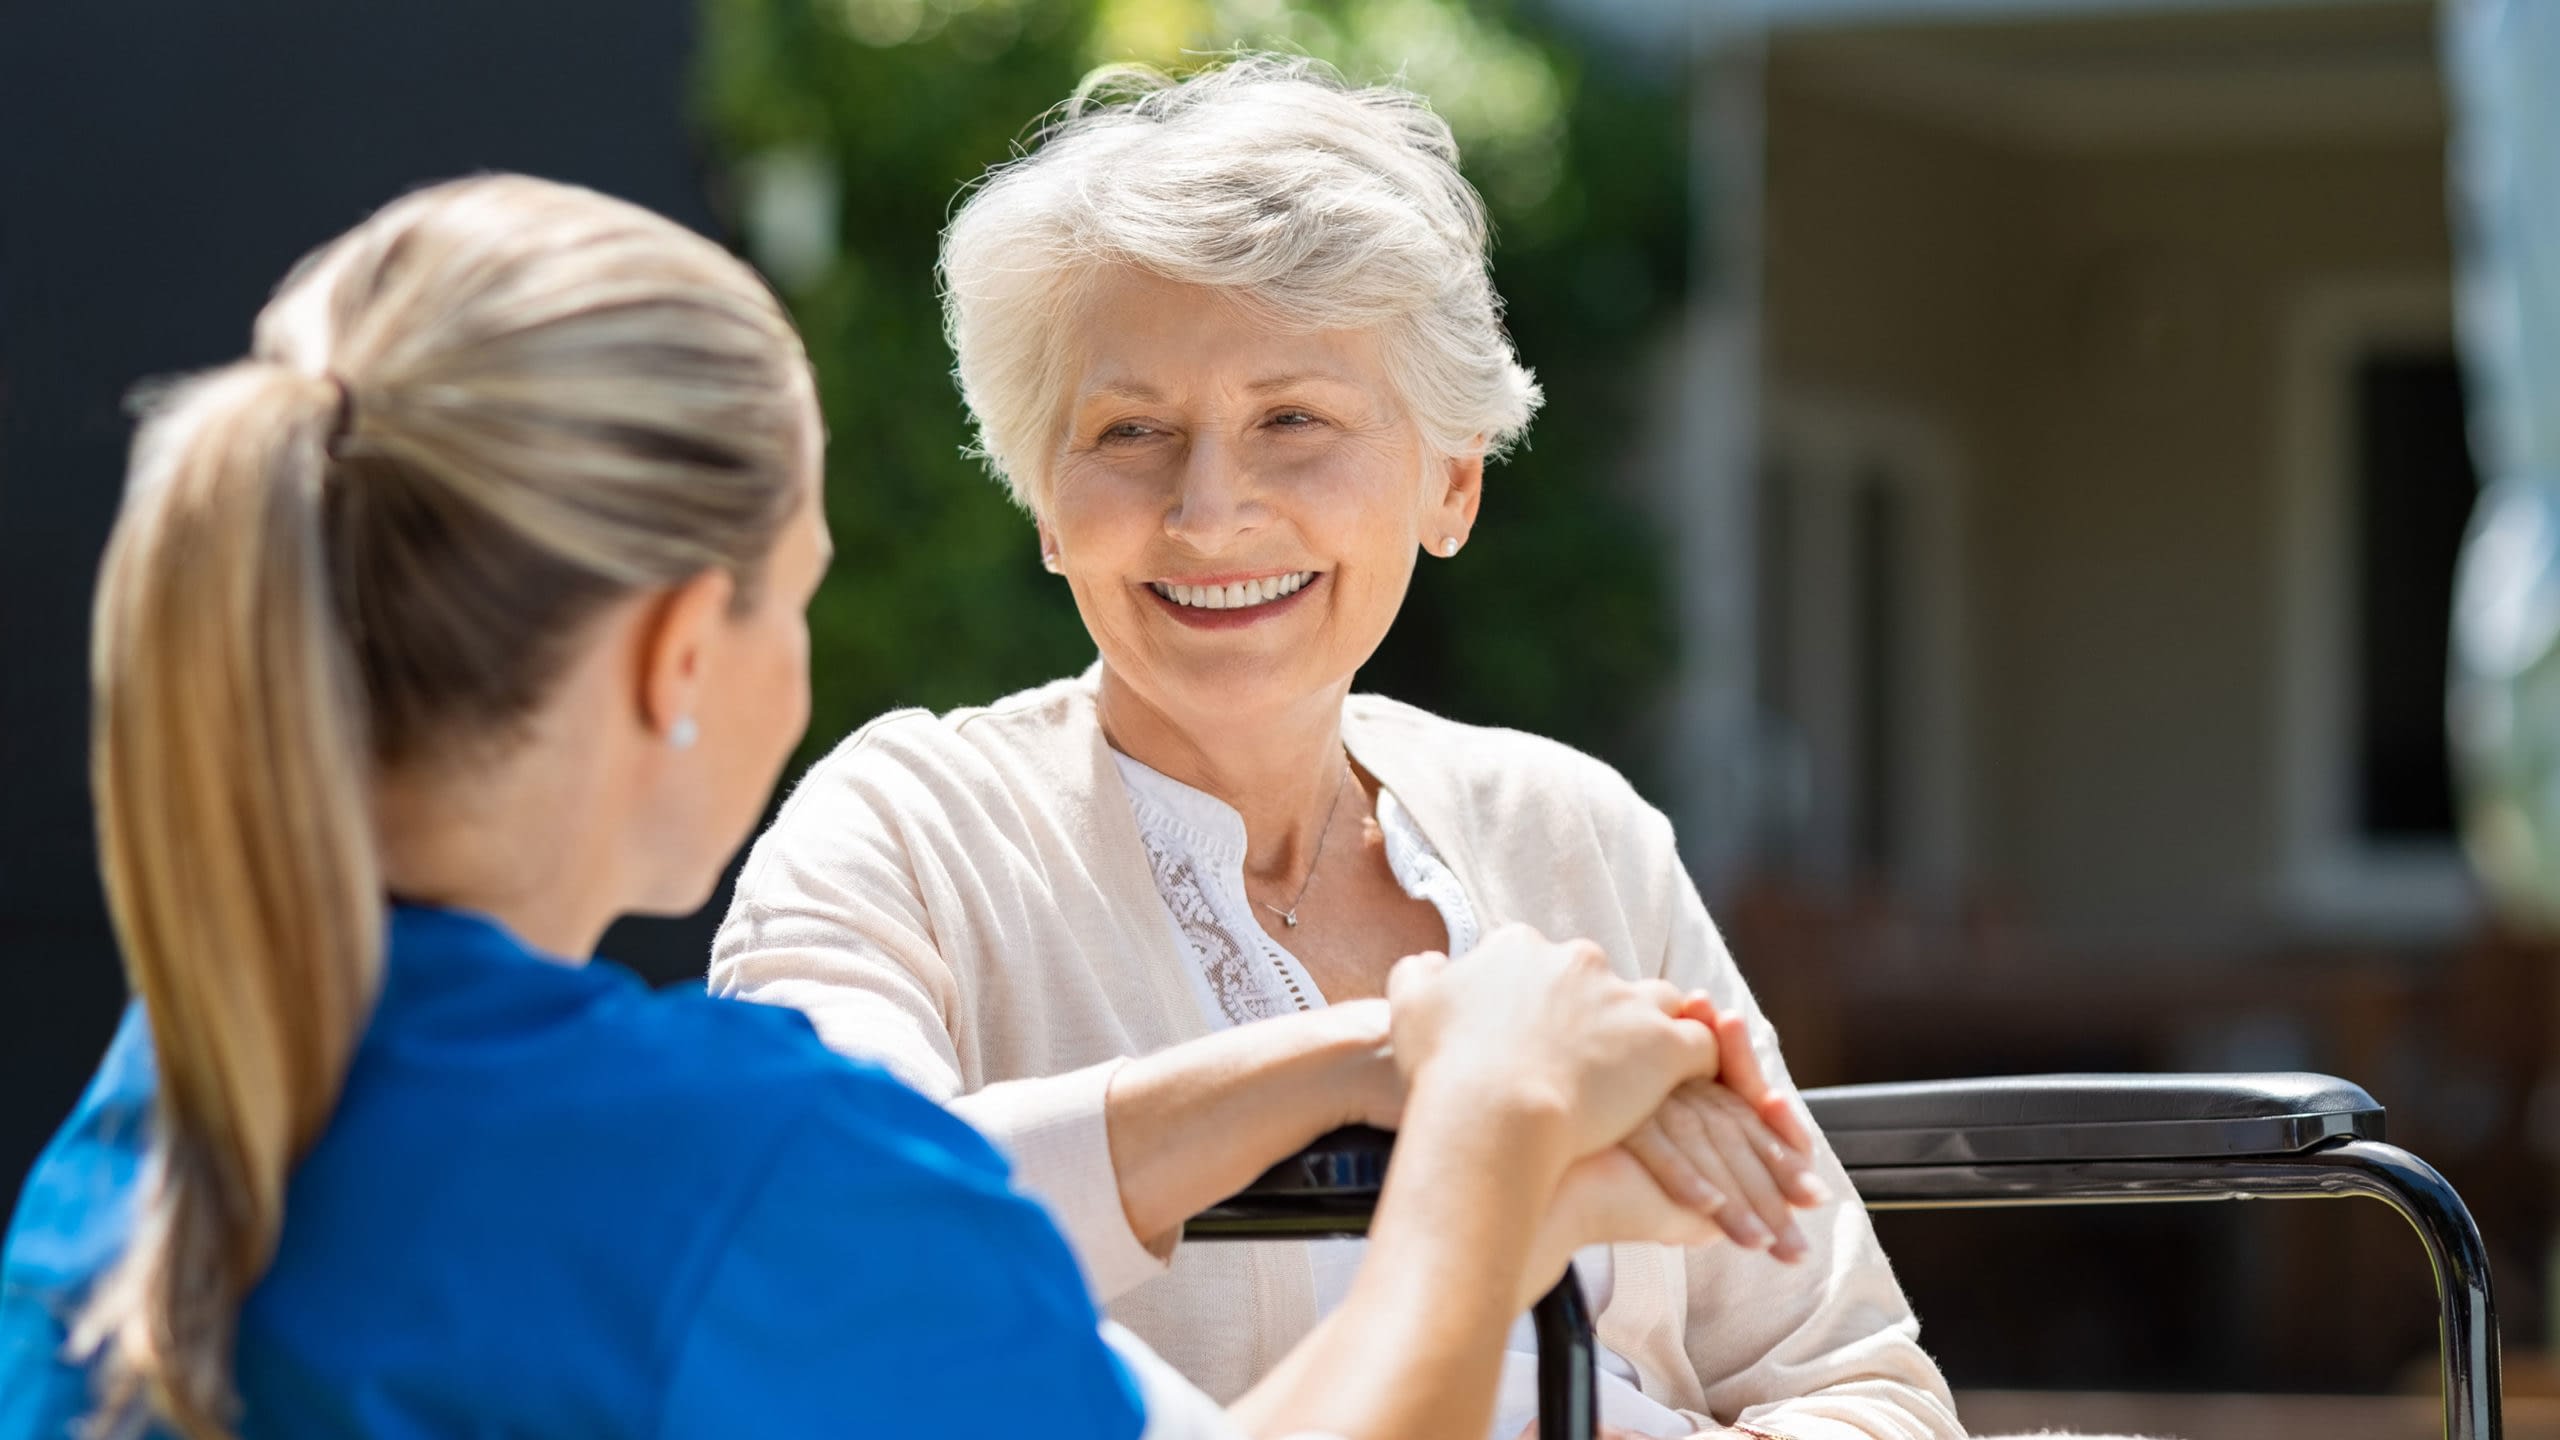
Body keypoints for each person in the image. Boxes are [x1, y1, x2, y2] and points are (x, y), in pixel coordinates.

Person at [0, 174, 1748, 1440]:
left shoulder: (176, 1101)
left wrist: (1359, 1057)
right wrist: (1487, 1149)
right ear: (687, 647)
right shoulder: (740, 1177)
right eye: (804, 591)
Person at [709, 55, 1964, 1440]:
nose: (1208, 510)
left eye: (1292, 420)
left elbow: (1848, 1379)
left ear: (1453, 480)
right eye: (1131, 432)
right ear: (1044, 500)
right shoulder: (909, 831)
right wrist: (1414, 1059)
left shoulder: (1573, 830)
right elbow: (819, 1234)